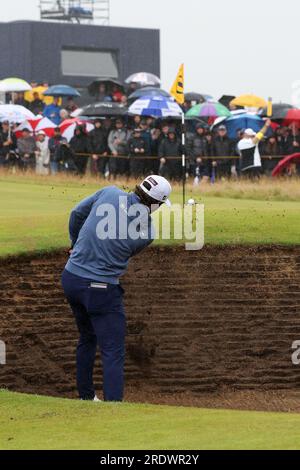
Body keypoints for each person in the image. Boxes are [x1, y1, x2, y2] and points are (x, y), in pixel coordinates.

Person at [61, 175, 172, 402]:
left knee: (87, 337)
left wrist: (75, 244)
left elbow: (76, 214)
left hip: (71, 278)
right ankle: (113, 408)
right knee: (112, 350)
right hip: (100, 290)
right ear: (156, 204)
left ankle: (86, 397)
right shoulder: (147, 232)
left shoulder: (109, 192)